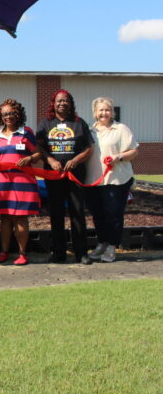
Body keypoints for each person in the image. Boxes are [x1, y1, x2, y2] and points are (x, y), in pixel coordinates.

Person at [36, 89, 93, 264]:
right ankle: (59, 253)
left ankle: (81, 253)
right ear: (53, 103)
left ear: (70, 103)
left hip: (75, 175)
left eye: (66, 101)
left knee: (77, 212)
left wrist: (76, 159)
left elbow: (89, 148)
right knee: (56, 213)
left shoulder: (79, 123)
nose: (62, 104)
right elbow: (39, 147)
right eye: (59, 101)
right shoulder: (45, 124)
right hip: (53, 176)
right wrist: (51, 160)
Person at [85, 97, 138, 263]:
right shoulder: (89, 130)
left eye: (107, 110)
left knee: (113, 214)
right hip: (93, 180)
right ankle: (102, 243)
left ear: (112, 112)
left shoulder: (121, 129)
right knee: (98, 214)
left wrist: (119, 157)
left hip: (116, 180)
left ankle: (112, 246)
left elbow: (134, 151)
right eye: (100, 110)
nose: (104, 113)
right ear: (95, 112)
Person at [0, 99, 41, 266]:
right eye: (4, 114)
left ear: (17, 114)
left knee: (20, 219)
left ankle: (22, 253)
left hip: (22, 182)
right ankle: (4, 252)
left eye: (11, 113)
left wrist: (29, 158)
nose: (8, 117)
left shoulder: (26, 132)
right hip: (3, 182)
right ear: (0, 116)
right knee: (5, 218)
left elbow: (39, 153)